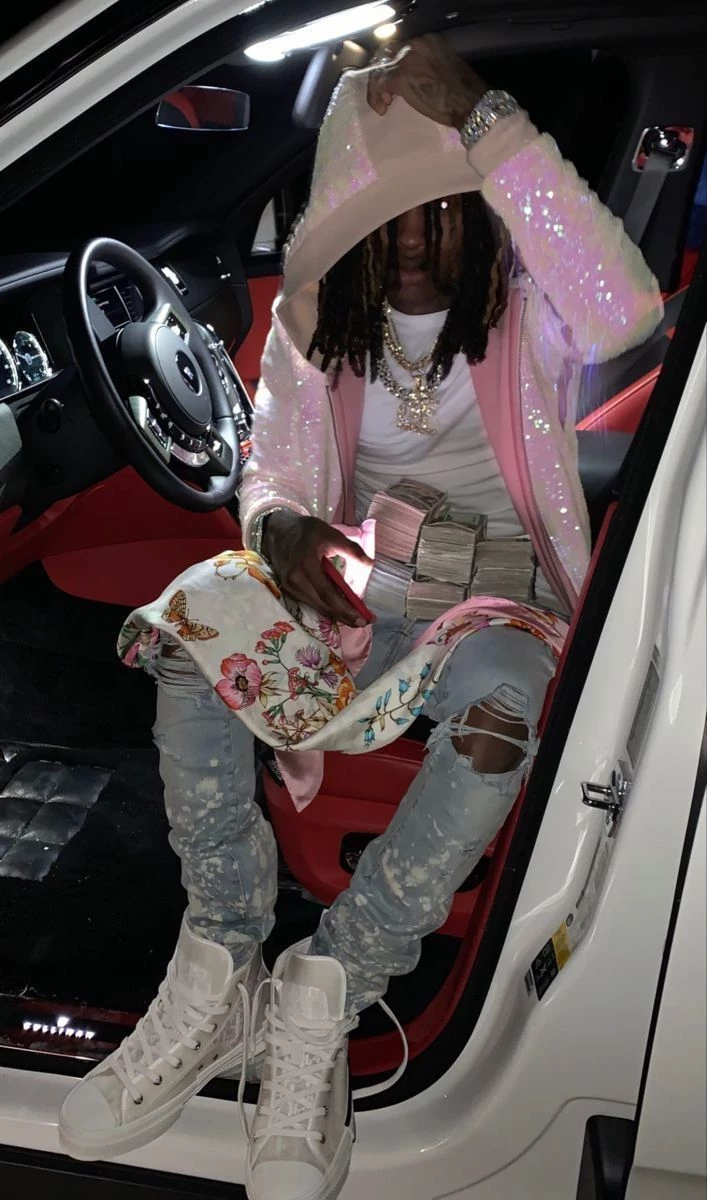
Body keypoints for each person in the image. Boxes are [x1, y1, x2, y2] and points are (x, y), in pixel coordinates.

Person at [59, 35, 662, 1200]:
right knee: (192, 629)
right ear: (347, 222)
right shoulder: (316, 324)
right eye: (388, 216)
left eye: (440, 209)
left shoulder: (527, 302)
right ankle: (221, 953)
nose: (416, 241)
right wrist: (281, 526)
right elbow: (274, 475)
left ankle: (327, 985)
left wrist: (489, 123)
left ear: (478, 208)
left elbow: (627, 309)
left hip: (496, 599)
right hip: (359, 595)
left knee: (499, 709)